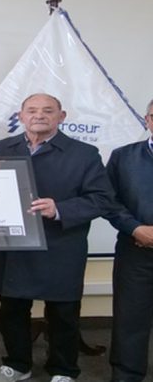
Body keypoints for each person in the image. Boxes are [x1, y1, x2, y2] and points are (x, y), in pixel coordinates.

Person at [0, 93, 114, 382]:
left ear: (61, 116)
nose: (39, 115)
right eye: (32, 110)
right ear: (21, 116)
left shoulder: (84, 154)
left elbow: (103, 199)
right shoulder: (0, 149)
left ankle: (63, 369)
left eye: (48, 110)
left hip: (61, 244)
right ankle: (18, 364)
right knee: (11, 309)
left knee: (63, 313)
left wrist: (60, 209)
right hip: (13, 246)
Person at [105, 99, 153, 382]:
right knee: (130, 317)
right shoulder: (123, 157)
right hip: (136, 250)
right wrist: (135, 228)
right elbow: (109, 202)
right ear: (147, 119)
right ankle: (127, 375)